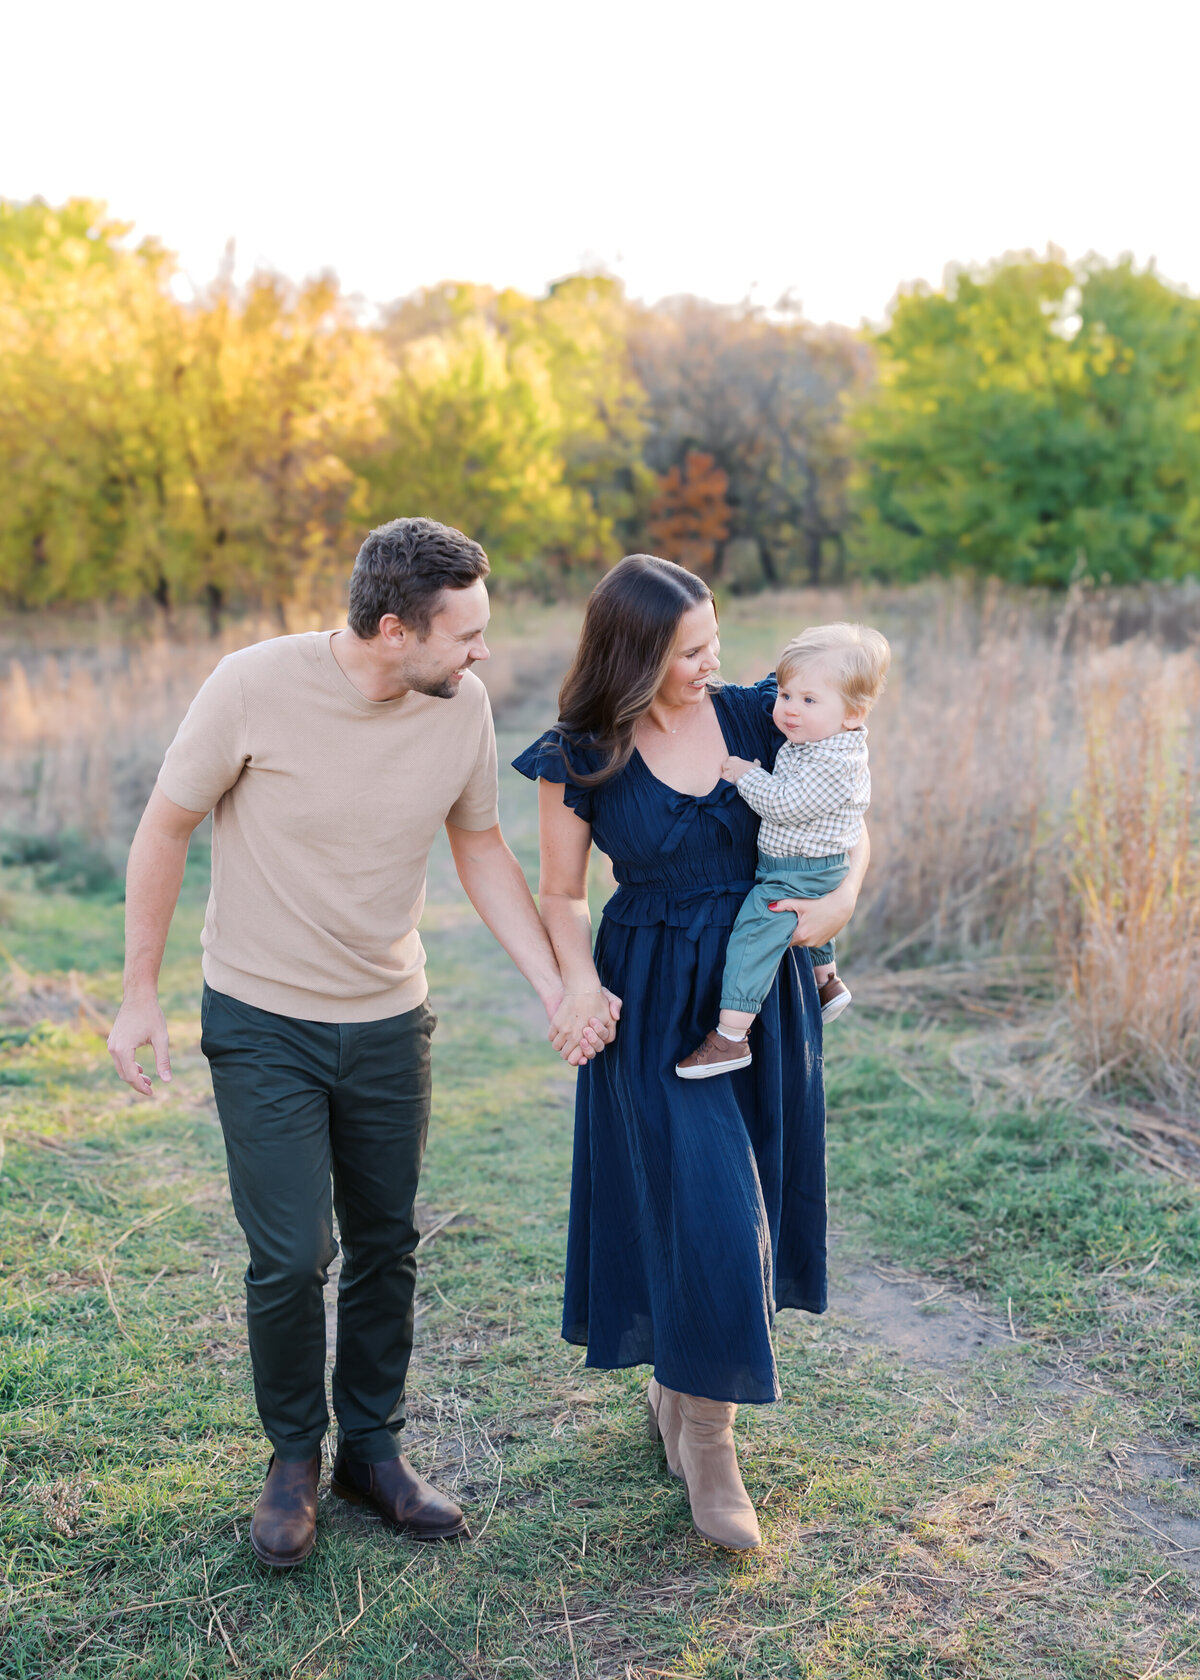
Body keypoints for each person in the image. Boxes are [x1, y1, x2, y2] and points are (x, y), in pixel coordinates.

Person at [106, 517, 615, 1569]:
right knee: (292, 1258)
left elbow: (478, 847)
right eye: (465, 633)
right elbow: (166, 824)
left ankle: (369, 1452)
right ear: (393, 629)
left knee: (386, 1244)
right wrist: (137, 995)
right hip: (263, 1020)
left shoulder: (457, 706)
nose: (483, 654)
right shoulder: (252, 685)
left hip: (389, 1020)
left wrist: (558, 983)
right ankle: (294, 1455)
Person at [513, 555, 867, 1551]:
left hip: (761, 992)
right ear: (632, 655)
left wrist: (835, 906)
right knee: (703, 1204)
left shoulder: (763, 717)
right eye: (687, 653)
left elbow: (848, 818)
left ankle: (682, 1397)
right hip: (654, 996)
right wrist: (578, 982)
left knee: (736, 1196)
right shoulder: (579, 754)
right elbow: (559, 893)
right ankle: (711, 1450)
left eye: (715, 642)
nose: (710, 665)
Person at [675, 621, 889, 1079]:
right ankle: (824, 981)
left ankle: (731, 1036)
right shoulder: (819, 739)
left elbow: (787, 804)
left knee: (757, 929)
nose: (789, 709)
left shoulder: (834, 759)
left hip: (800, 871)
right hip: (807, 863)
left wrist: (744, 775)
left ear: (854, 713)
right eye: (787, 695)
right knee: (801, 920)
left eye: (809, 701)